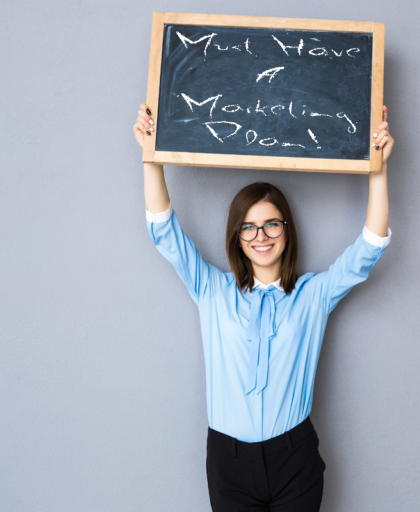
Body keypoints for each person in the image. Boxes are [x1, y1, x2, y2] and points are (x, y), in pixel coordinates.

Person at [133, 103, 394, 512]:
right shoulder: (212, 290)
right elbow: (164, 230)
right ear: (237, 237)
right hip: (228, 461)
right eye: (249, 227)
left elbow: (371, 246)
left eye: (272, 223)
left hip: (295, 457)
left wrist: (377, 168)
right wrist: (151, 156)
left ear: (286, 231)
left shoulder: (314, 295)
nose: (261, 236)